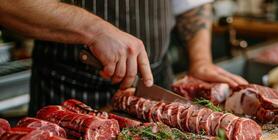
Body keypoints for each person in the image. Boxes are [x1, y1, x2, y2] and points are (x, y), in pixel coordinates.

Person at [0, 0, 247, 115]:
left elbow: (190, 4)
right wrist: (93, 29)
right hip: (69, 89)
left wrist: (201, 61)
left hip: (154, 85)